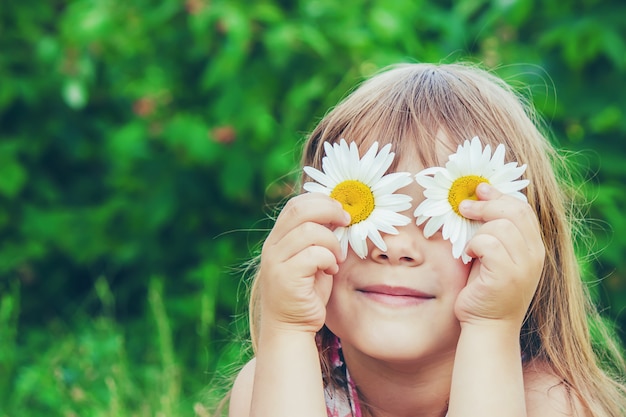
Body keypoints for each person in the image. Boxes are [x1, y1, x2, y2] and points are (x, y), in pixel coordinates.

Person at [224, 63, 626, 417]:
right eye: (363, 208)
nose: (395, 247)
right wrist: (287, 328)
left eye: (445, 217)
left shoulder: (546, 403)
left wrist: (491, 325)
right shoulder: (277, 382)